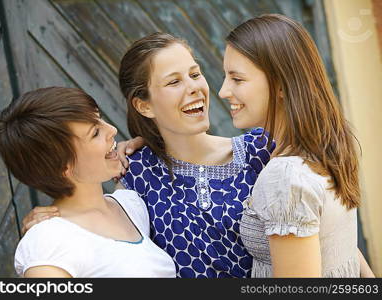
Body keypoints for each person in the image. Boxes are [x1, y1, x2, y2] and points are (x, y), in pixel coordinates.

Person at [21, 33, 275, 278]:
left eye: (195, 74)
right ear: (144, 105)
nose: (194, 87)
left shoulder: (262, 151)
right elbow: (97, 226)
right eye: (174, 82)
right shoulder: (137, 172)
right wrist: (49, 229)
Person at [219, 14, 371, 277]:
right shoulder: (328, 145)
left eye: (237, 79)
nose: (223, 91)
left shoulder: (285, 176)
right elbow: (344, 251)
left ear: (280, 84)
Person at [0, 87, 176, 278]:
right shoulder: (49, 241)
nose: (111, 130)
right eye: (95, 132)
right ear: (64, 165)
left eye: (99, 118)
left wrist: (153, 143)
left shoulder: (131, 205)